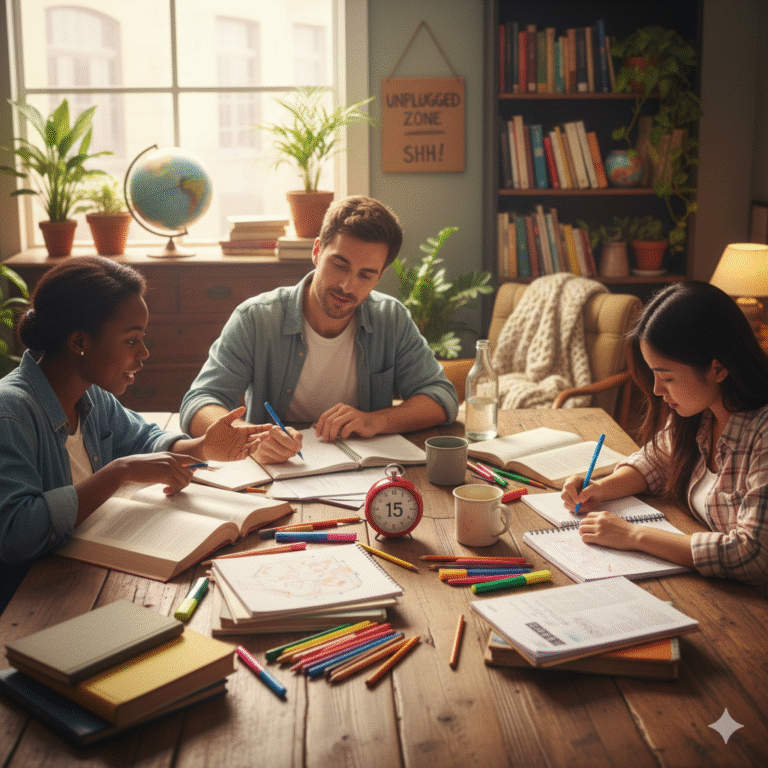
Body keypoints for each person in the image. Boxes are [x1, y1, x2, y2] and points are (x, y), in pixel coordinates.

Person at [0, 256, 263, 610]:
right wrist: (120, 472)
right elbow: (16, 534)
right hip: (32, 601)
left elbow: (143, 441)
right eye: (131, 340)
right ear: (80, 341)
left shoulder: (91, 396)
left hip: (89, 573)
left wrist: (201, 447)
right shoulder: (11, 413)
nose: (144, 353)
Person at [179, 196, 459, 461]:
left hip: (363, 473)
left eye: (366, 275)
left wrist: (375, 420)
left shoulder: (391, 319)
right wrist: (250, 440)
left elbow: (441, 397)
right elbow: (200, 402)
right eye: (340, 265)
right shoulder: (256, 319)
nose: (348, 286)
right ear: (316, 252)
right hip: (277, 471)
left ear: (380, 276)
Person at [561, 280, 768, 597]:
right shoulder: (702, 411)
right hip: (708, 587)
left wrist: (634, 536)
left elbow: (753, 554)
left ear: (718, 368)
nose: (657, 390)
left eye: (667, 376)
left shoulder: (762, 434)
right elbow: (654, 461)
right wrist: (598, 489)